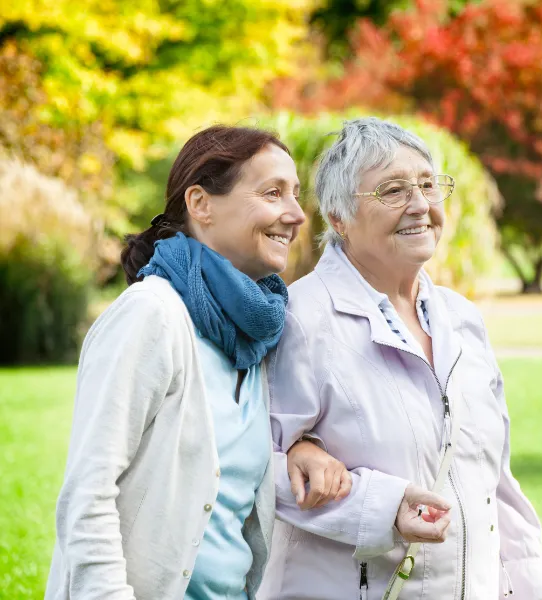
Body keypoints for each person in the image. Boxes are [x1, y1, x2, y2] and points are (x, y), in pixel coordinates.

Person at [259, 117, 542, 600]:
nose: (421, 205)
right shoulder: (302, 320)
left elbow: (492, 482)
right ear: (339, 218)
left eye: (428, 184)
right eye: (393, 190)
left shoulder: (461, 320)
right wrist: (382, 507)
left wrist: (536, 588)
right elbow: (256, 469)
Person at [45, 125, 350, 600]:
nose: (294, 214)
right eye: (273, 193)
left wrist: (301, 446)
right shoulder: (153, 316)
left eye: (295, 195)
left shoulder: (258, 333)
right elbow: (88, 495)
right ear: (201, 204)